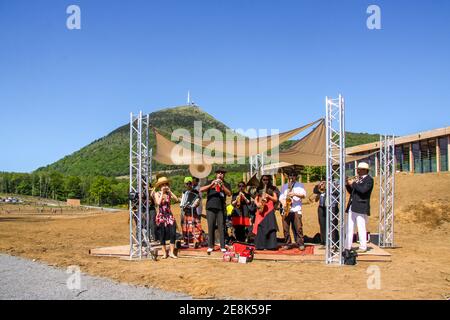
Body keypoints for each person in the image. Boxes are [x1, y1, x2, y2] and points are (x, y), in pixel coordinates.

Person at [199, 167, 232, 254]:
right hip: (210, 207)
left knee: (221, 227)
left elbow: (229, 193)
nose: (220, 174)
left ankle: (222, 246)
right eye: (219, 173)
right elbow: (201, 190)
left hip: (221, 208)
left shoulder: (226, 184)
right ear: (216, 174)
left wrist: (222, 186)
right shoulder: (210, 182)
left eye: (222, 173)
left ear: (224, 175)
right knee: (211, 226)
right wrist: (211, 185)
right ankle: (210, 246)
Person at [345, 162, 374, 253]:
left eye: (359, 169)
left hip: (361, 206)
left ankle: (363, 246)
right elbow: (353, 192)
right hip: (352, 206)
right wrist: (348, 185)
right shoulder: (358, 179)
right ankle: (347, 246)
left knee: (361, 227)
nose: (357, 170)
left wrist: (353, 183)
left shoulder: (369, 180)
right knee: (349, 227)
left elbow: (363, 190)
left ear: (365, 170)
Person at [279, 170, 306, 250]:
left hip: (296, 209)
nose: (291, 177)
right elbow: (281, 197)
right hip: (286, 209)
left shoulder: (300, 185)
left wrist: (294, 194)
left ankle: (300, 243)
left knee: (298, 228)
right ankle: (287, 243)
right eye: (290, 175)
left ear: (296, 176)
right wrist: (284, 203)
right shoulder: (284, 186)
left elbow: (304, 195)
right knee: (285, 228)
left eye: (293, 175)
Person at [154, 176, 179, 259]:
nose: (164, 186)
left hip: (169, 215)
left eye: (166, 184)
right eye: (162, 185)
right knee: (162, 235)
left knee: (173, 233)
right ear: (160, 186)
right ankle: (164, 253)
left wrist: (170, 191)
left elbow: (176, 199)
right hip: (161, 216)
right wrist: (161, 193)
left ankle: (171, 252)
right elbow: (158, 203)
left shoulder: (168, 194)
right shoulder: (157, 193)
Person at [253, 175, 279, 250]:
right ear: (261, 180)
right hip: (261, 208)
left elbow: (275, 199)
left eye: (267, 180)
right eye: (264, 179)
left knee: (270, 226)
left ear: (269, 180)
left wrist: (268, 196)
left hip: (269, 209)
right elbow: (255, 199)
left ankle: (271, 246)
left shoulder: (273, 188)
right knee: (260, 226)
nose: (265, 181)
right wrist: (257, 204)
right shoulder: (259, 188)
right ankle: (260, 246)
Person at [180, 176, 203, 248]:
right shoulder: (184, 192)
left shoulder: (195, 191)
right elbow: (183, 200)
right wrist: (182, 203)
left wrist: (196, 203)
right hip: (186, 211)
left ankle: (197, 240)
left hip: (193, 211)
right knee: (186, 226)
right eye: (186, 184)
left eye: (189, 183)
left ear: (191, 184)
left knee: (194, 226)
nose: (188, 185)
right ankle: (186, 241)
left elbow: (198, 199)